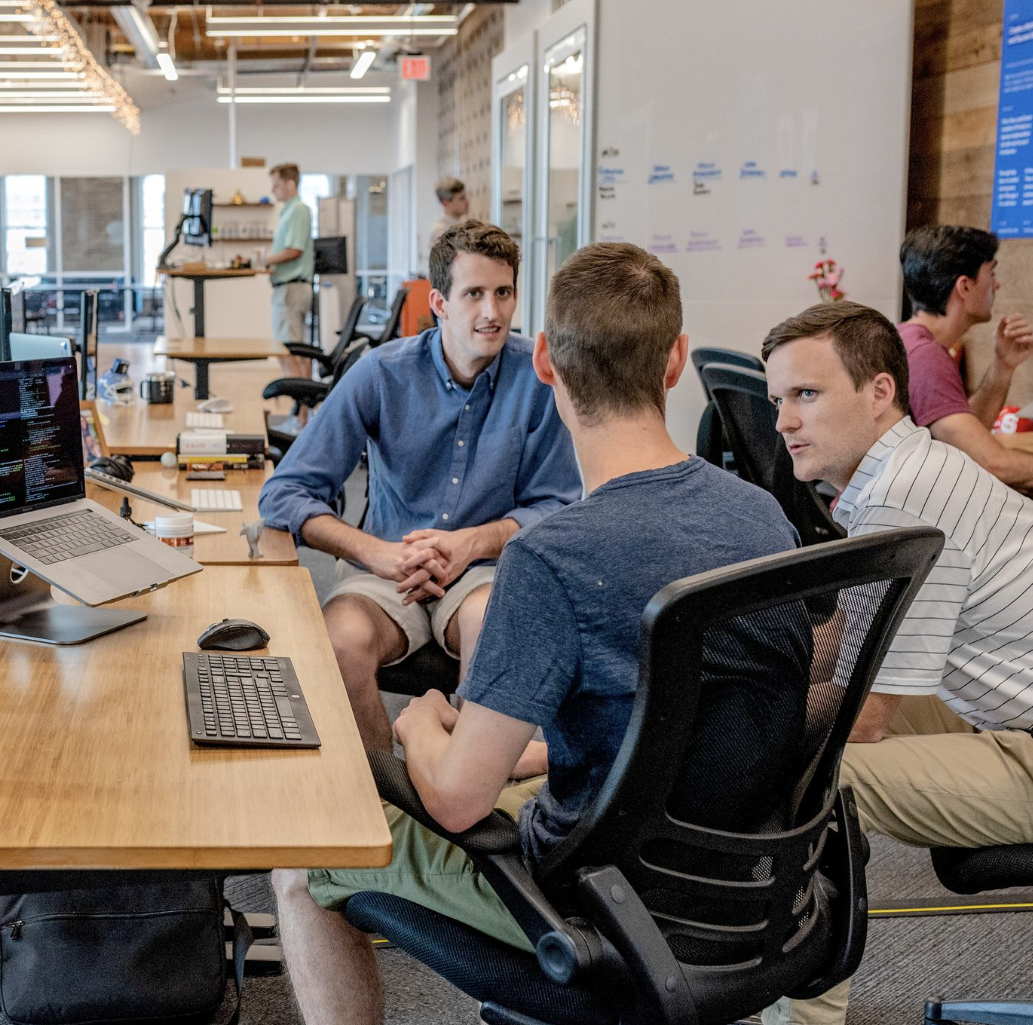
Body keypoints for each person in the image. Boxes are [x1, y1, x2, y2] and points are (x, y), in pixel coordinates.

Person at [270, 242, 805, 1025]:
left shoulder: (551, 560)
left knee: (299, 860)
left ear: (547, 360)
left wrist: (421, 725)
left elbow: (455, 803)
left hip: (594, 904)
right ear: (676, 362)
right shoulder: (762, 514)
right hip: (747, 888)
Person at [762, 300, 1033, 1025]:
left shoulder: (902, 496)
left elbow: (865, 718)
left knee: (813, 775)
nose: (783, 421)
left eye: (806, 395)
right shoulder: (906, 469)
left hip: (1025, 743)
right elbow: (848, 642)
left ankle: (804, 1022)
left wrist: (726, 727)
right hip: (1002, 704)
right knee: (786, 722)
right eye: (777, 400)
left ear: (881, 392)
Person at [259, 221, 581, 751]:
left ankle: (464, 793)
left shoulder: (540, 378)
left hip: (484, 571)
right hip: (387, 568)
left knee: (494, 631)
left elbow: (559, 506)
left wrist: (472, 543)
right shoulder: (380, 374)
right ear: (439, 302)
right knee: (339, 642)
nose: (492, 313)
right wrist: (376, 553)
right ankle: (387, 793)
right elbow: (284, 493)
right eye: (473, 294)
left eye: (503, 293)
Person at [897, 225, 1033, 489]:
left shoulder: (912, 339)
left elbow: (964, 441)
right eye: (990, 273)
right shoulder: (925, 357)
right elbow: (992, 463)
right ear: (965, 286)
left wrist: (1003, 365)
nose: (997, 284)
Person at [258, 163, 315, 381]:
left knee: (291, 352)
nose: (273, 190)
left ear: (291, 183)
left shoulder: (298, 210)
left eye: (277, 185)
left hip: (292, 288)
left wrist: (264, 260)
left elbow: (295, 250)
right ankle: (300, 408)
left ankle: (301, 411)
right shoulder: (288, 211)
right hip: (286, 289)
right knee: (288, 350)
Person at [428, 176, 470, 251]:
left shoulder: (466, 223)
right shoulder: (439, 232)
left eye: (466, 197)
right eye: (461, 198)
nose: (467, 202)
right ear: (446, 203)